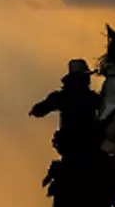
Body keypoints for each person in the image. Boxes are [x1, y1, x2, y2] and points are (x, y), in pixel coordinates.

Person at [29, 58, 104, 196]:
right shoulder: (92, 98)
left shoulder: (62, 97)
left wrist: (36, 109)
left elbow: (40, 110)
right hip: (88, 152)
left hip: (71, 152)